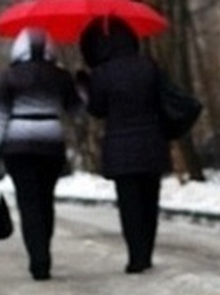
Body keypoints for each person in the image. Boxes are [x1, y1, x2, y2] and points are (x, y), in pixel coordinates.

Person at [0, 28, 82, 281]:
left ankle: (38, 259)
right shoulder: (60, 77)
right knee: (45, 201)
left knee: (28, 204)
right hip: (51, 144)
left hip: (18, 146)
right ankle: (44, 251)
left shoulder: (9, 77)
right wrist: (82, 86)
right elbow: (77, 111)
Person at [78, 17, 169, 274]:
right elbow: (162, 98)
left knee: (129, 204)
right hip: (152, 142)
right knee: (150, 201)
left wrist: (86, 86)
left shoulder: (103, 73)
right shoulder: (149, 66)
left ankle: (135, 256)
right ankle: (147, 253)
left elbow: (97, 110)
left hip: (120, 146)